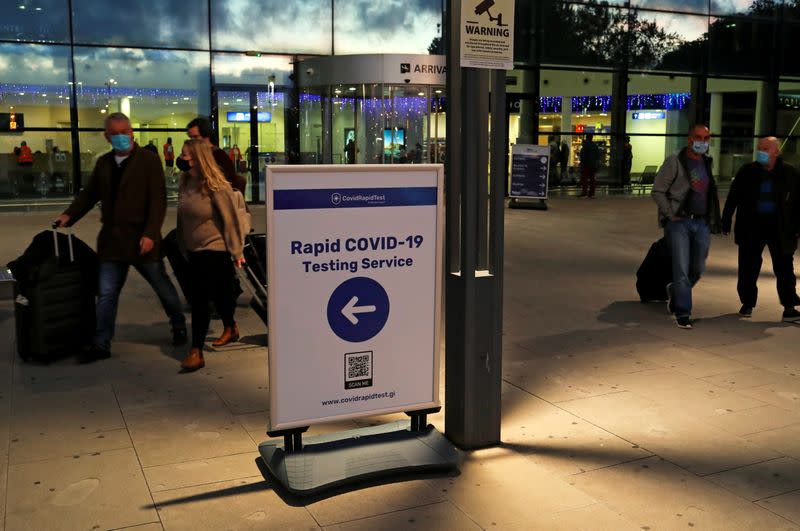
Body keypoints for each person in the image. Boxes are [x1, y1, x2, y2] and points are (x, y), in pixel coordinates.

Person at [53, 112, 187, 362]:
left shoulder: (148, 161)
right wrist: (68, 216)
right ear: (107, 136)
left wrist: (150, 234)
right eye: (115, 134)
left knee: (162, 287)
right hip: (113, 242)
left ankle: (178, 324)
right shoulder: (104, 163)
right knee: (106, 294)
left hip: (142, 241)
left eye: (124, 132)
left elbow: (157, 202)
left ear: (132, 132)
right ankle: (101, 343)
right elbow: (89, 194)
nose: (121, 137)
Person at [176, 139, 246, 372]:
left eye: (186, 155)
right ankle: (231, 325)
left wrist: (236, 251)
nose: (182, 158)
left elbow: (231, 220)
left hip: (214, 247)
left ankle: (196, 351)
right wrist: (182, 245)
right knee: (220, 294)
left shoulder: (217, 186)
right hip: (193, 249)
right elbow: (182, 218)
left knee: (199, 299)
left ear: (198, 158)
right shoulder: (185, 182)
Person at [721, 136, 800, 322]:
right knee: (748, 267)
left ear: (776, 152)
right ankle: (747, 303)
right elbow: (733, 197)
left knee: (784, 268)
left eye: (765, 148)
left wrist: (796, 227)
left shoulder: (790, 173)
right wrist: (725, 220)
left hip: (780, 227)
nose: (761, 152)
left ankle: (789, 306)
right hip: (752, 226)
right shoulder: (747, 172)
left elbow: (798, 203)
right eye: (759, 148)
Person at [651, 124, 722, 329]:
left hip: (701, 222)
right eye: (699, 137)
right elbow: (658, 190)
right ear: (690, 139)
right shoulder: (675, 161)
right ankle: (683, 311)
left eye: (706, 138)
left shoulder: (707, 162)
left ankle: (676, 290)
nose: (702, 142)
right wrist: (670, 214)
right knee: (681, 267)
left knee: (697, 267)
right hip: (679, 222)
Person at [185, 117, 245, 195]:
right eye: (190, 138)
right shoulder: (194, 155)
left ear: (206, 135)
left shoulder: (219, 156)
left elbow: (224, 187)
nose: (192, 142)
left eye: (195, 137)